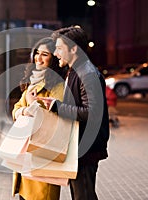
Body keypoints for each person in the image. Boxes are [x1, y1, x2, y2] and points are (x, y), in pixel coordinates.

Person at [38, 26, 110, 200]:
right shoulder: (76, 70)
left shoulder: (87, 73)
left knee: (83, 195)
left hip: (86, 148)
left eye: (59, 48)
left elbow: (92, 113)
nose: (55, 53)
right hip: (81, 146)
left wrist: (57, 106)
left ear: (74, 49)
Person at [11, 37, 68, 200]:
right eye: (37, 53)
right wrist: (24, 111)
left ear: (53, 59)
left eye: (45, 54)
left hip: (44, 155)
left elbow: (55, 119)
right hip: (27, 155)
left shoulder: (58, 86)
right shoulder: (34, 82)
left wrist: (31, 106)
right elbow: (16, 109)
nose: (39, 58)